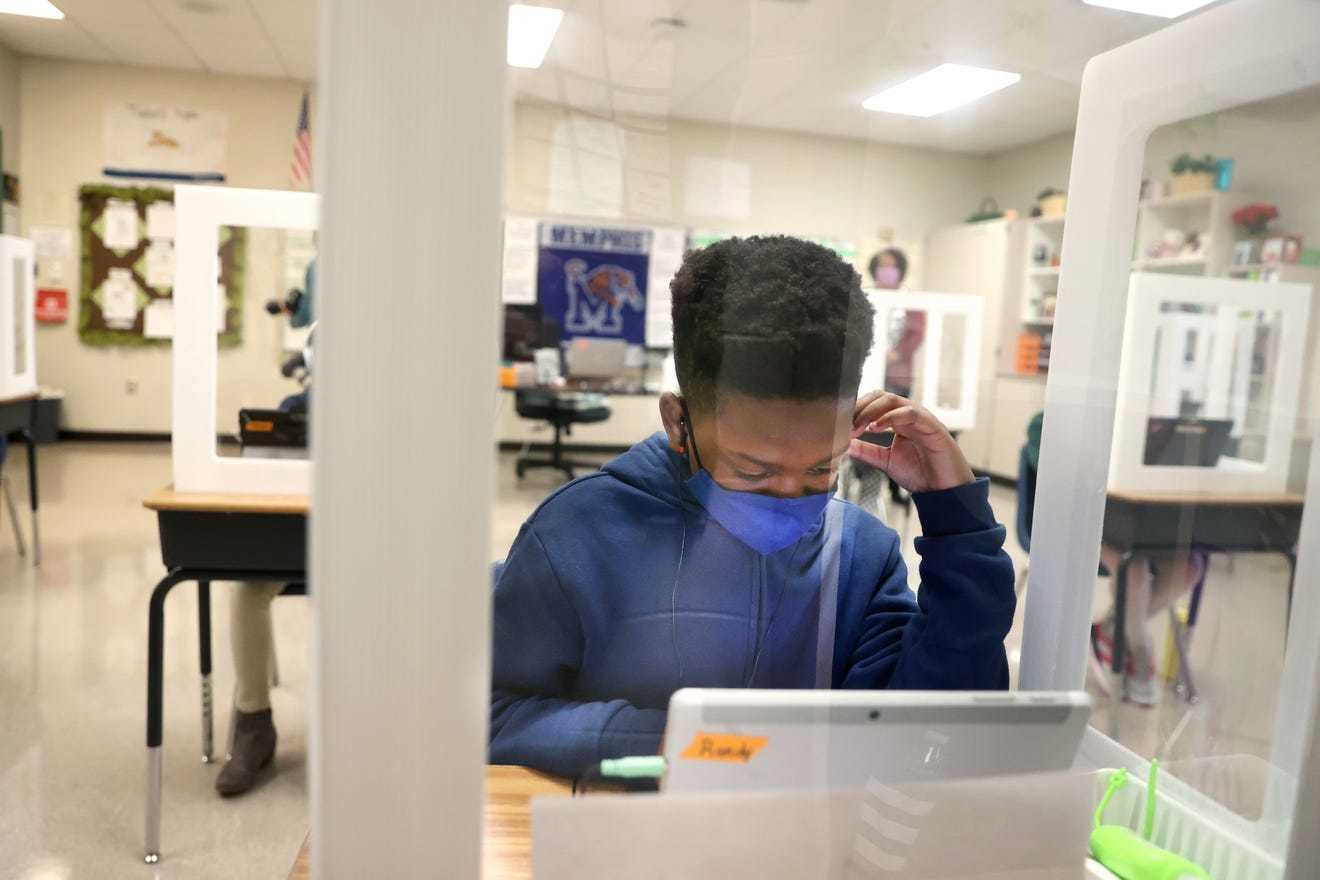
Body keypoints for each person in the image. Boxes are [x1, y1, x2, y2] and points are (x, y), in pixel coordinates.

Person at [488, 235, 1016, 777]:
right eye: (753, 470)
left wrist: (957, 525)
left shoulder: (858, 552)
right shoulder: (578, 534)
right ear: (678, 424)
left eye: (822, 468)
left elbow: (928, 731)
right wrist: (667, 738)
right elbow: (490, 712)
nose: (790, 495)